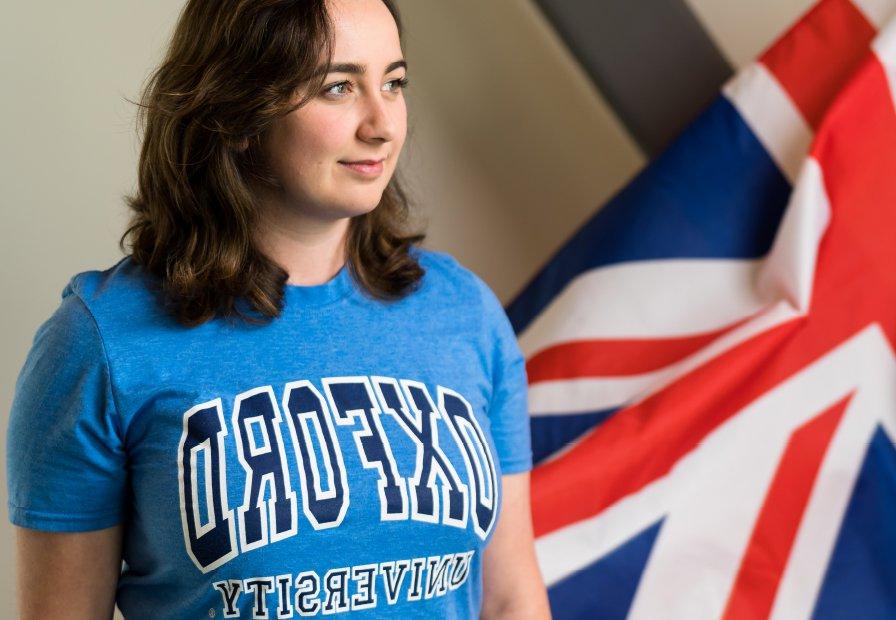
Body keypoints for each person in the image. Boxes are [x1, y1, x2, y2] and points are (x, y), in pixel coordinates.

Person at [6, 0, 551, 617]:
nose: (383, 124)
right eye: (339, 87)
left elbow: (511, 599)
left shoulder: (465, 316)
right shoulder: (100, 344)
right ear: (239, 111)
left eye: (393, 83)